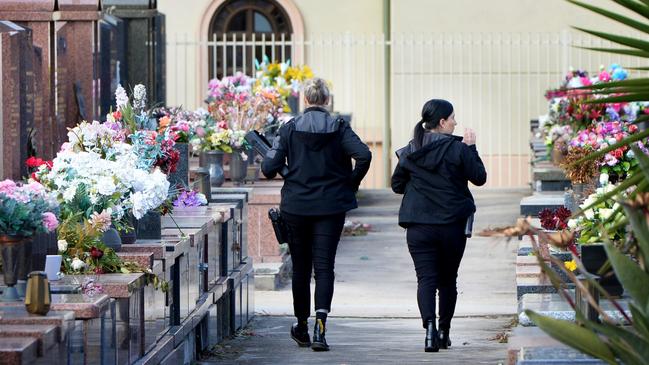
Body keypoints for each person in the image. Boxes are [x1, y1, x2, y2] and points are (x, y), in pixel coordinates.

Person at [262, 78, 372, 351]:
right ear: (327, 101)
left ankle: (301, 325)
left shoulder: (289, 129)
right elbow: (364, 155)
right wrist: (350, 182)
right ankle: (320, 327)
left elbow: (268, 167)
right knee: (324, 267)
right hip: (331, 207)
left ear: (304, 100)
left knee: (301, 268)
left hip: (296, 206)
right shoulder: (339, 127)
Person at [391, 99, 486, 352]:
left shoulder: (411, 150)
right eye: (453, 117)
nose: (456, 122)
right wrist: (472, 147)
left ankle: (429, 331)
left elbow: (397, 185)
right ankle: (444, 332)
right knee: (447, 280)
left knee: (426, 280)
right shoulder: (459, 149)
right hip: (452, 226)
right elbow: (479, 177)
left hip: (418, 227)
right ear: (442, 122)